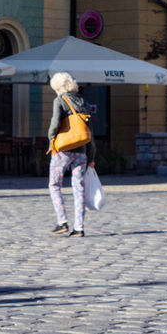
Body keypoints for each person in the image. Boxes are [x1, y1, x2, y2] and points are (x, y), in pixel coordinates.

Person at [46, 71, 95, 238]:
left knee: (54, 184)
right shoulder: (83, 101)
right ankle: (79, 228)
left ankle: (62, 222)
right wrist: (92, 156)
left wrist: (51, 139)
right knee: (78, 188)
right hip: (82, 151)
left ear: (58, 87)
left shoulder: (60, 100)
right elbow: (89, 131)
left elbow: (55, 122)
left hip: (63, 150)